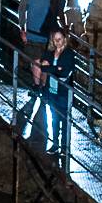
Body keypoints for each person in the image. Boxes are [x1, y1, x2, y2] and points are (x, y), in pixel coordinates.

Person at [17, 0, 65, 66]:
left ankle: (41, 82)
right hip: (32, 36)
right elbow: (22, 10)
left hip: (48, 37)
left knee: (46, 65)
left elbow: (60, 10)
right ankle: (36, 82)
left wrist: (64, 27)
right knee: (34, 64)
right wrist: (22, 29)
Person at [43, 25, 76, 157]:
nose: (58, 42)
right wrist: (55, 69)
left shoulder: (69, 54)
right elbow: (44, 68)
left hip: (63, 91)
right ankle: (55, 144)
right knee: (54, 119)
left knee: (65, 120)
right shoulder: (50, 53)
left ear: (64, 39)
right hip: (52, 90)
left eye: (60, 39)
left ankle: (65, 147)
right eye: (55, 39)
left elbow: (65, 72)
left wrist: (51, 68)